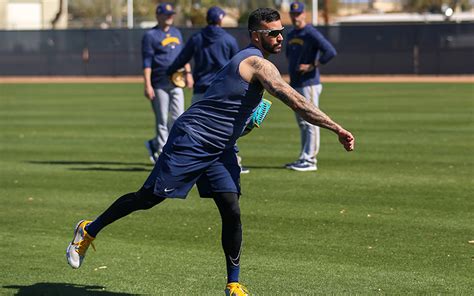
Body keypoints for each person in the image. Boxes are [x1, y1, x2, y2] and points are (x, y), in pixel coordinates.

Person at [66, 8, 354, 296]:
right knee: (148, 198)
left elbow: (224, 106)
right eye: (273, 33)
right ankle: (89, 229)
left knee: (231, 209)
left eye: (282, 32)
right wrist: (336, 128)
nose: (280, 37)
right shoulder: (256, 62)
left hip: (220, 147)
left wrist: (244, 125)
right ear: (256, 35)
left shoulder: (251, 62)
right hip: (192, 139)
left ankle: (233, 284)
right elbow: (295, 100)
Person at [165, 6, 252, 174]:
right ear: (220, 19)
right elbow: (239, 64)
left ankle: (193, 163)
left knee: (195, 129)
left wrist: (170, 71)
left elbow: (183, 58)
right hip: (222, 92)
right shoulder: (228, 39)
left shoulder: (197, 38)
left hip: (201, 91)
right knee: (225, 129)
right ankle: (233, 163)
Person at [285, 1, 337, 172]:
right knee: (302, 123)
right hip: (296, 83)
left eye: (298, 13)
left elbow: (330, 51)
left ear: (304, 14)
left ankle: (310, 160)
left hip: (309, 84)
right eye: (293, 14)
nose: (295, 16)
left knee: (311, 121)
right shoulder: (292, 34)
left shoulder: (311, 32)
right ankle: (303, 157)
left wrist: (312, 65)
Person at [142, 3, 192, 164]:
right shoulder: (150, 36)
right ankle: (162, 153)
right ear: (158, 16)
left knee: (178, 118)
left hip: (177, 82)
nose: (170, 16)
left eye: (171, 14)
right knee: (162, 119)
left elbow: (184, 56)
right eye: (166, 14)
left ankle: (166, 147)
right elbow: (147, 62)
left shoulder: (176, 32)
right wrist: (147, 85)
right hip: (158, 83)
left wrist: (189, 74)